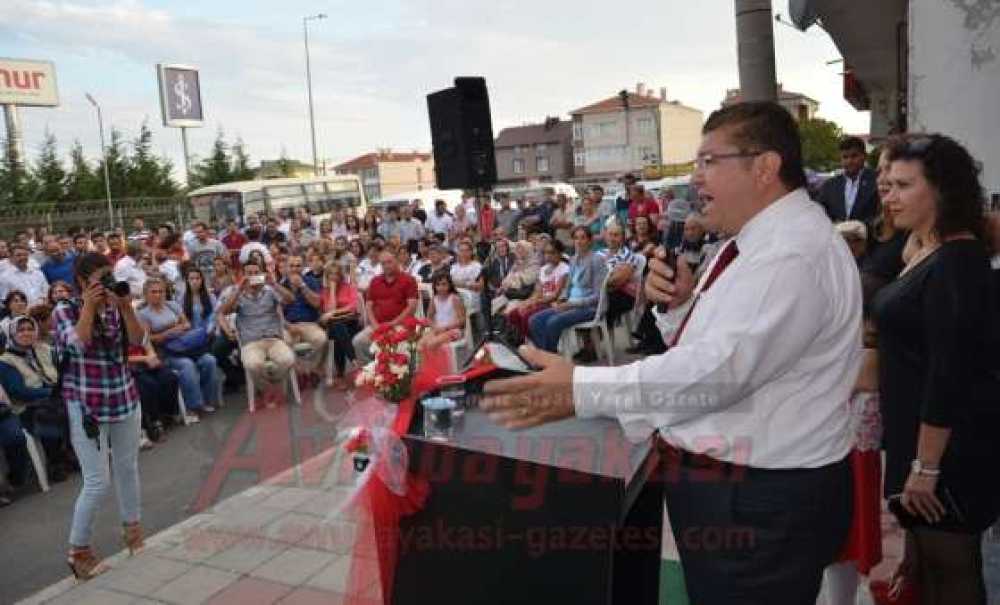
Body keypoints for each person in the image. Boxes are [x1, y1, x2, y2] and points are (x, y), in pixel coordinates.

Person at [482, 102, 861, 604]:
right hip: (748, 491)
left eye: (709, 162)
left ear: (765, 167)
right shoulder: (757, 243)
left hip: (758, 500)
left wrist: (580, 386)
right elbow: (729, 347)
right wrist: (680, 306)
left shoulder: (788, 254)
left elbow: (715, 375)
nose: (695, 178)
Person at [871, 134, 1000, 604]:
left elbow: (949, 373)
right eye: (888, 184)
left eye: (904, 186)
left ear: (942, 190)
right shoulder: (925, 249)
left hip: (948, 453)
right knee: (926, 571)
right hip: (921, 444)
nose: (890, 196)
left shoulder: (957, 261)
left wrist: (926, 468)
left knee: (952, 575)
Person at [55, 252, 145, 580]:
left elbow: (137, 340)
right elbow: (77, 345)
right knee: (97, 481)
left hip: (123, 396)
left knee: (128, 468)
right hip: (87, 405)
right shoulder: (65, 309)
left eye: (110, 276)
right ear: (82, 282)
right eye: (100, 279)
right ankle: (78, 551)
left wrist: (125, 307)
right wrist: (90, 307)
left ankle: (133, 533)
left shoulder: (116, 304)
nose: (107, 284)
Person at [0, 316, 71, 484]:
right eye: (21, 330)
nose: (26, 333)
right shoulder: (5, 361)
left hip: (55, 396)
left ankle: (74, 453)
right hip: (27, 407)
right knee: (49, 411)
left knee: (76, 403)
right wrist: (52, 392)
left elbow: (64, 370)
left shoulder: (44, 349)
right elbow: (19, 392)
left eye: (30, 329)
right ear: (12, 334)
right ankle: (55, 463)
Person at [218, 259, 296, 408]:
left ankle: (273, 386)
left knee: (288, 360)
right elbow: (224, 311)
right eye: (249, 273)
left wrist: (274, 283)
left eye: (256, 273)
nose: (253, 276)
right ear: (243, 275)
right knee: (253, 365)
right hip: (251, 342)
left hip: (273, 339)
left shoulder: (270, 291)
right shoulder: (238, 294)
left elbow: (291, 299)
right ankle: (268, 389)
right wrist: (239, 289)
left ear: (261, 274)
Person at [137, 278, 219, 417]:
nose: (158, 295)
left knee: (209, 360)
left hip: (186, 346)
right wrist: (169, 332)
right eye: (154, 292)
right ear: (146, 294)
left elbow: (187, 324)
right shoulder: (143, 314)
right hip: (166, 352)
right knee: (187, 365)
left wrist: (176, 328)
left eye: (161, 291)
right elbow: (147, 339)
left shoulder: (172, 305)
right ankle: (194, 406)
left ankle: (208, 400)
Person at [527, 226, 607, 353]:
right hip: (570, 304)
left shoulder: (597, 260)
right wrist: (562, 300)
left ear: (590, 241)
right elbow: (568, 286)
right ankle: (547, 355)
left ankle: (549, 357)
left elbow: (598, 296)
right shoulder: (573, 259)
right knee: (535, 321)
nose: (579, 242)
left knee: (553, 322)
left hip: (590, 307)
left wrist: (572, 304)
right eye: (576, 238)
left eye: (583, 238)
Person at [352, 251, 417, 363]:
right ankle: (371, 368)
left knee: (394, 342)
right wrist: (375, 325)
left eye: (389, 262)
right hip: (378, 325)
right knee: (358, 341)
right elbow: (369, 306)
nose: (386, 266)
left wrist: (393, 323)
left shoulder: (409, 280)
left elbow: (412, 307)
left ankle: (391, 368)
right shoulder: (375, 281)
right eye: (383, 263)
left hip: (400, 325)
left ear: (396, 261)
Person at [503, 240, 568, 343]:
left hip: (554, 303)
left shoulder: (564, 269)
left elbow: (555, 295)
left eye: (552, 253)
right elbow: (538, 292)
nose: (548, 256)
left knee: (527, 316)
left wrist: (535, 302)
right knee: (514, 313)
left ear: (560, 253)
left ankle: (538, 344)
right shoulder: (543, 269)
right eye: (546, 253)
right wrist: (528, 302)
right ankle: (529, 340)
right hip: (542, 301)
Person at [278, 255, 327, 382]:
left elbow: (317, 303)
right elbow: (276, 312)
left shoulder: (311, 281)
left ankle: (312, 370)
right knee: (283, 343)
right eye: (291, 266)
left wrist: (302, 286)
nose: (295, 269)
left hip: (309, 324)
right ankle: (299, 372)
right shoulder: (280, 285)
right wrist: (287, 325)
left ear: (303, 267)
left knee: (320, 339)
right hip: (288, 325)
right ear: (287, 268)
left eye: (298, 266)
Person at [818, 136, 880, 223]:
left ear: (864, 156)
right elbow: (820, 213)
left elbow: (881, 214)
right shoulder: (829, 185)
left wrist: (863, 226)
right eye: (845, 157)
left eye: (854, 156)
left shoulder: (877, 181)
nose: (849, 161)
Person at [319, 262, 360, 389]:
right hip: (336, 325)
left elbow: (352, 307)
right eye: (330, 274)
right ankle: (354, 360)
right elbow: (329, 308)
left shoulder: (349, 287)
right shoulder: (325, 291)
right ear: (327, 276)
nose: (334, 277)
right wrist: (332, 290)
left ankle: (341, 375)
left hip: (351, 322)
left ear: (341, 275)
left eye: (336, 274)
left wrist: (333, 313)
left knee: (336, 329)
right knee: (337, 328)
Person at [419, 272, 467, 350]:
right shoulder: (434, 299)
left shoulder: (454, 298)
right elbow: (429, 317)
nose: (441, 287)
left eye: (444, 284)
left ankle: (441, 358)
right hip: (438, 329)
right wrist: (434, 327)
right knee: (421, 344)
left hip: (453, 330)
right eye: (438, 285)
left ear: (449, 285)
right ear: (434, 286)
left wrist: (446, 328)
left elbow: (462, 320)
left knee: (432, 344)